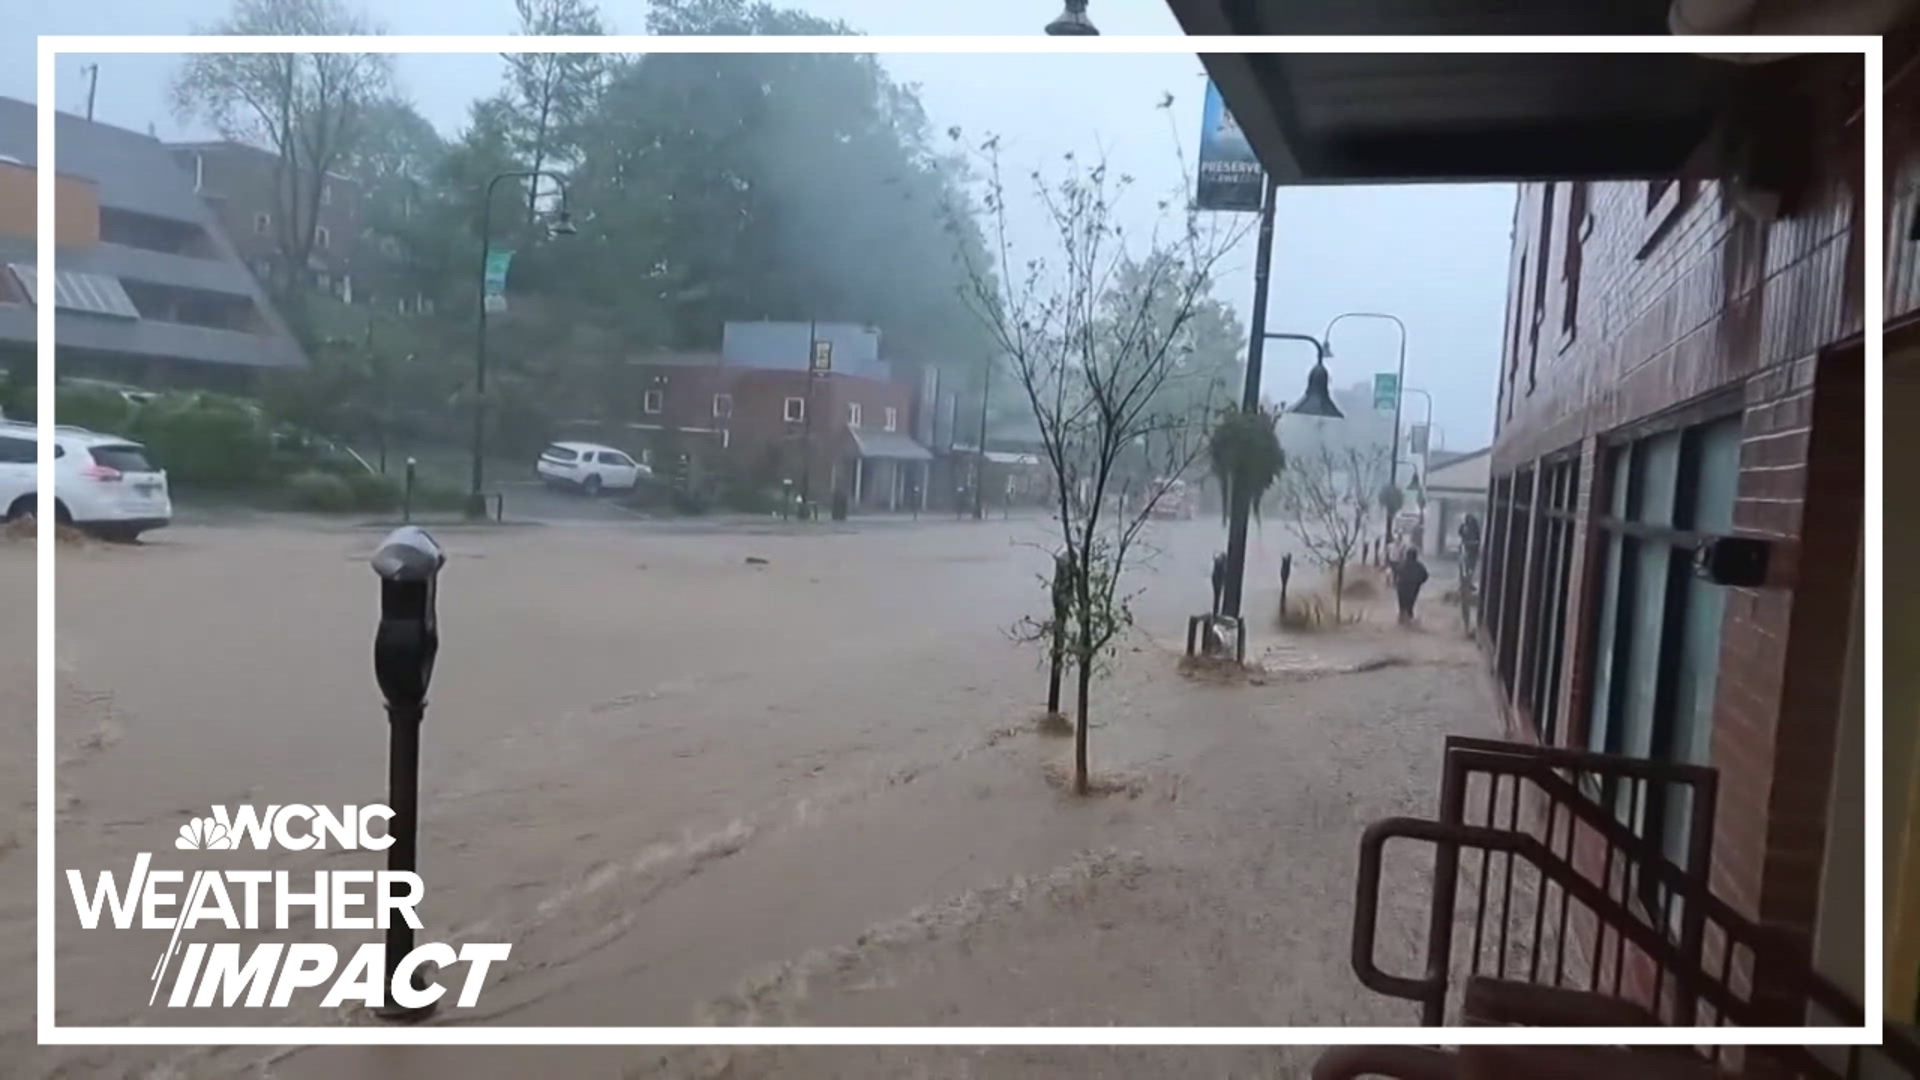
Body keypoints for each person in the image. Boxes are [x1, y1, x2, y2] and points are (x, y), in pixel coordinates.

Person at [1393, 546, 1429, 625]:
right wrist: (1419, 582)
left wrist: (1395, 583)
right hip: (1413, 588)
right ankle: (1409, 621)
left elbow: (1396, 572)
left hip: (1401, 588)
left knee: (1402, 606)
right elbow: (1425, 576)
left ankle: (1401, 621)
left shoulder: (1402, 564)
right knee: (1410, 605)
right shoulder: (1419, 566)